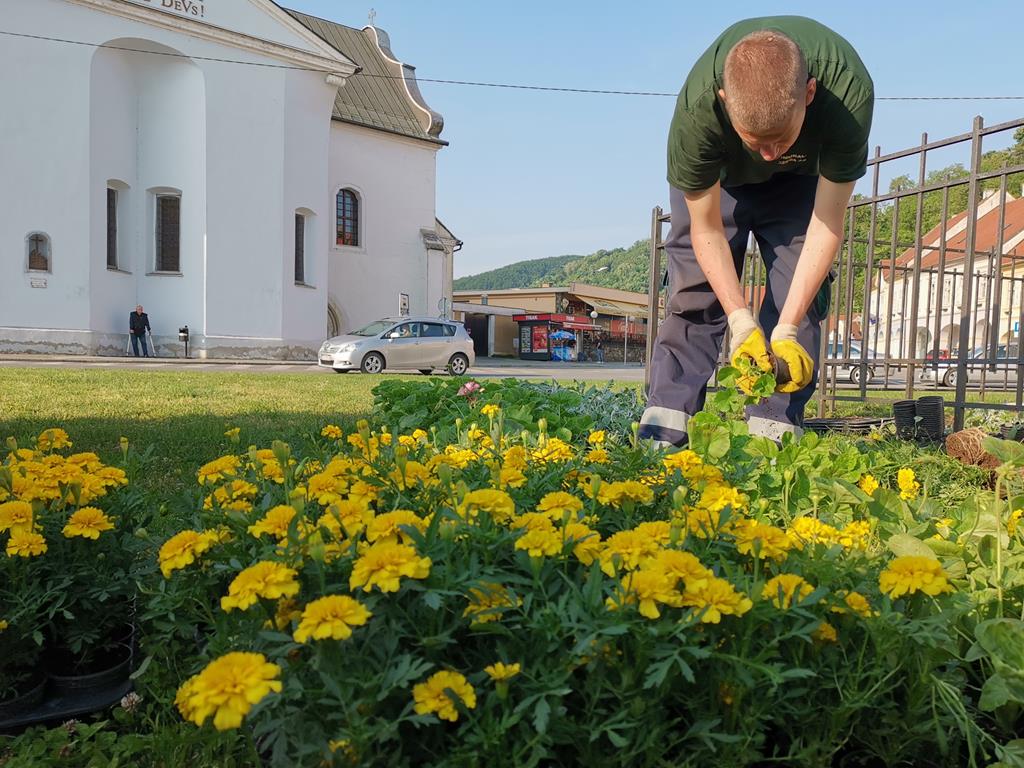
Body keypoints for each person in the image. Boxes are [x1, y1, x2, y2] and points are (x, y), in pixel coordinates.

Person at [639, 17, 874, 447]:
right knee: (695, 290)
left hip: (802, 181)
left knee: (797, 298)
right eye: (755, 141)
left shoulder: (849, 95)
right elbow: (705, 229)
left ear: (809, 93)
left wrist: (781, 331)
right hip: (720, 181)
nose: (767, 155)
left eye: (779, 139)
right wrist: (742, 322)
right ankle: (664, 429)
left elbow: (826, 227)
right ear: (725, 101)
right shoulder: (698, 113)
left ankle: (773, 435)